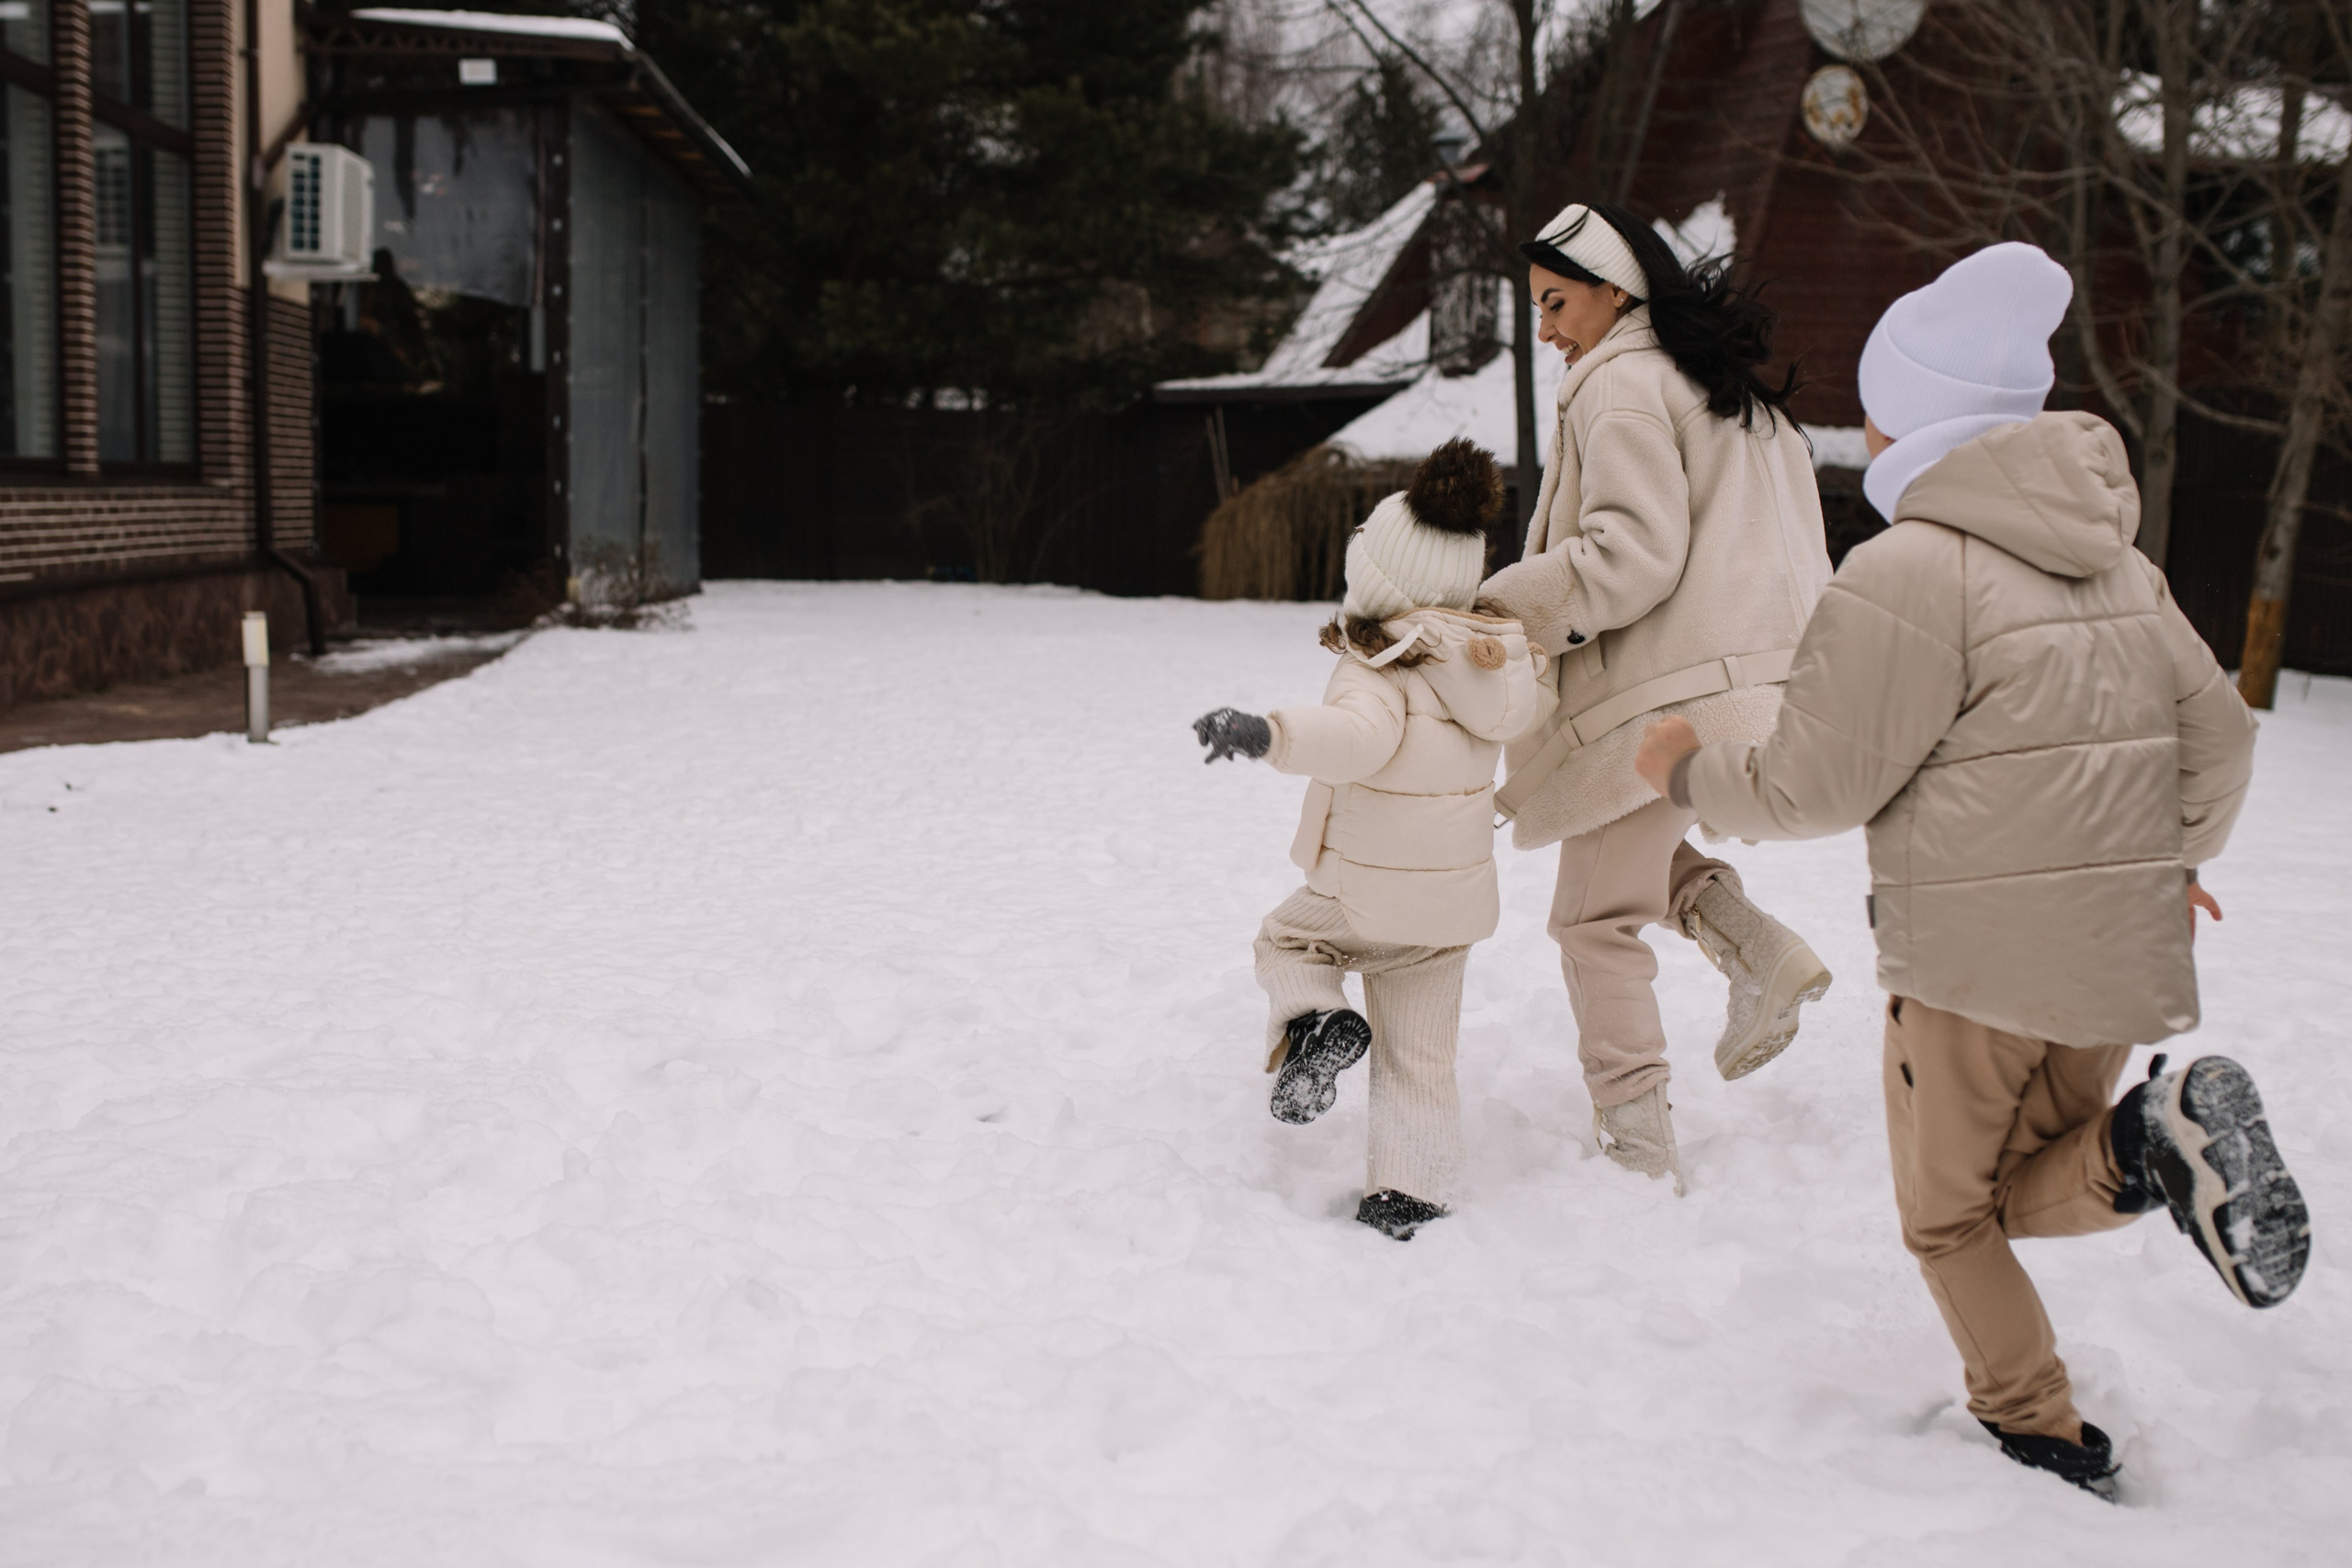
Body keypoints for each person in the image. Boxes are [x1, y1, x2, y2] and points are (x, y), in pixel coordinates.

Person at [1634, 241, 2308, 1498]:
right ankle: (2154, 1139)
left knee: (1951, 1217)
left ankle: (2035, 1420)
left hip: (1973, 972)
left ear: (1924, 421)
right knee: (2044, 1179)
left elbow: (1812, 786)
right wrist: (2176, 861)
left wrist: (1684, 768)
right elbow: (2218, 733)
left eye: (1882, 403)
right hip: (2116, 956)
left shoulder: (1906, 570)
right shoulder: (2122, 563)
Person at [1475, 203, 1835, 1186]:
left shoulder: (1622, 386)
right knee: (1626, 859)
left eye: (1555, 303)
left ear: (1614, 289)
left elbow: (1628, 558)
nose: (1545, 328)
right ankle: (1762, 954)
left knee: (1592, 920)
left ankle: (1637, 1151)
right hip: (1754, 687)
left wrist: (1499, 608)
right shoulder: (1729, 393)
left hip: (1671, 695)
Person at [1193, 440, 1544, 1239]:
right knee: (1420, 1054)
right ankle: (1408, 1192)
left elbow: (1354, 739)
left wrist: (1267, 732)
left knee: (1285, 940)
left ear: (1382, 575)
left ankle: (1316, 1019)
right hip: (1451, 910)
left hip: (1367, 893)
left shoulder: (1379, 659)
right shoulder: (1493, 666)